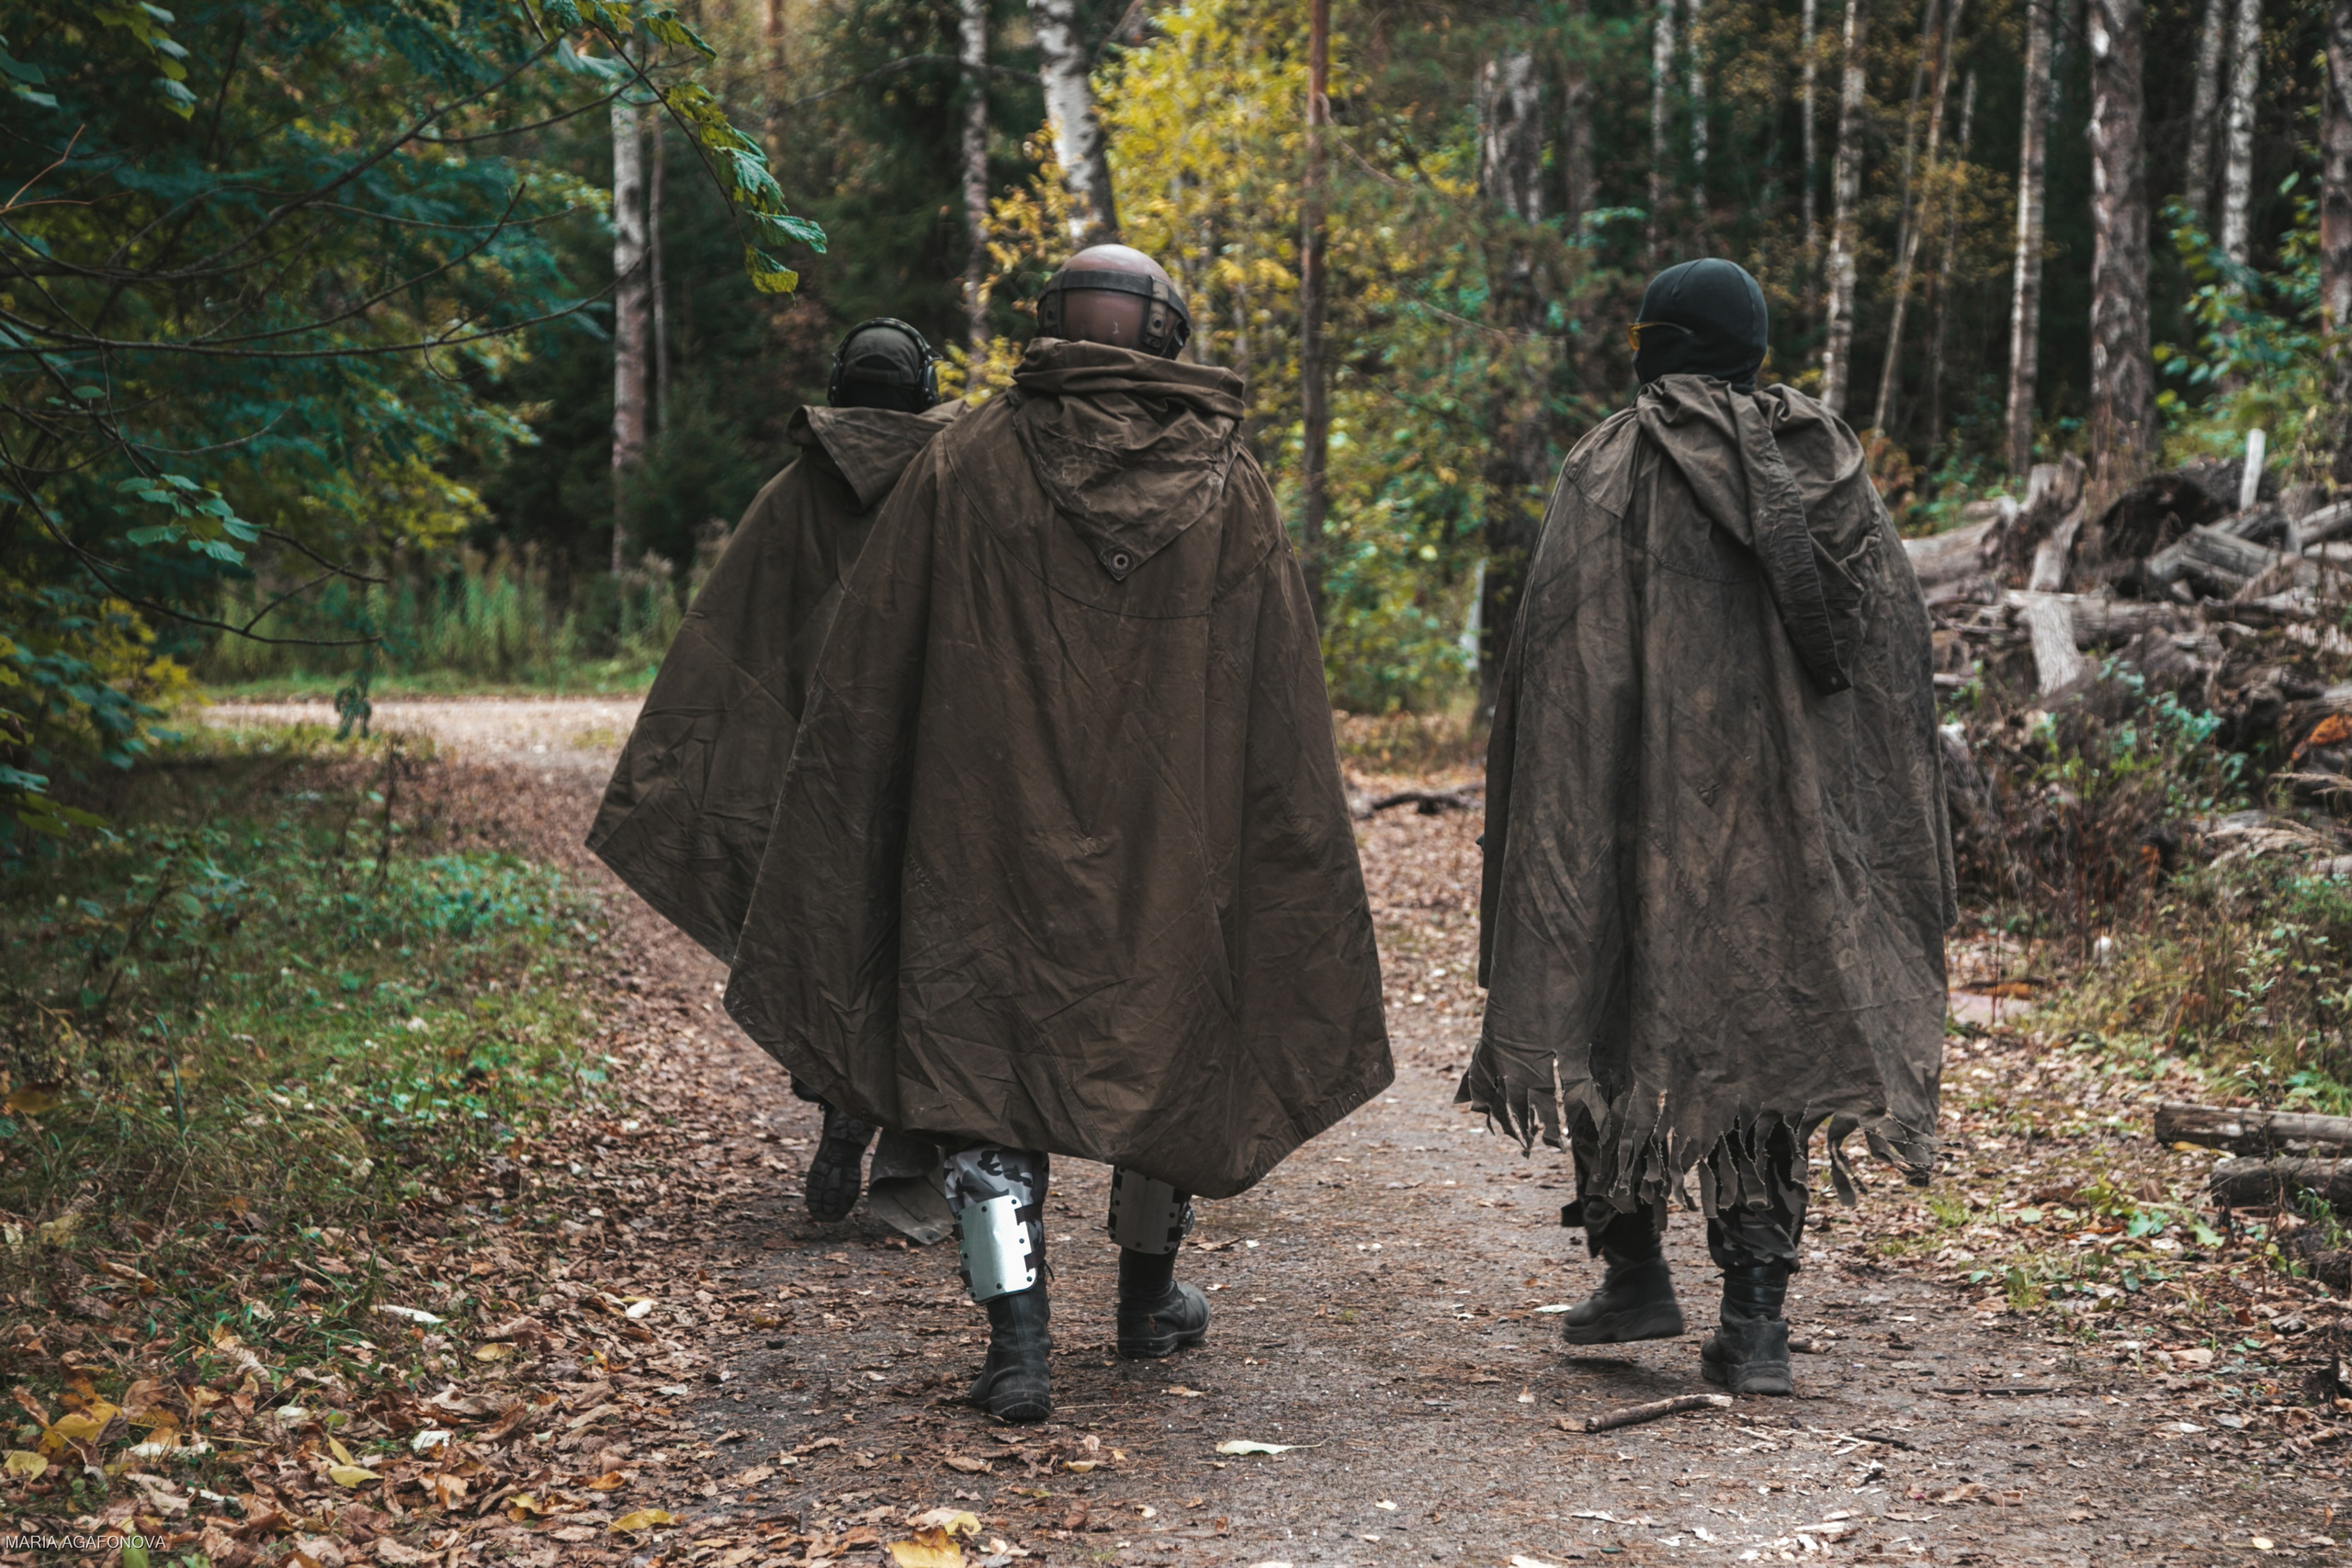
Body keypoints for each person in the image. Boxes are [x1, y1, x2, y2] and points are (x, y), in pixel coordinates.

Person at [721, 245, 1393, 1422]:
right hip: (1167, 844)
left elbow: (875, 667)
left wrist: (869, 811)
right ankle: (1144, 1304)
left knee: (987, 1071)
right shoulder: (1229, 485)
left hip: (987, 832)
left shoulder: (966, 459)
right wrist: (1274, 836)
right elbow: (1276, 696)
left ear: (1055, 326)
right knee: (1168, 1048)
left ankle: (1017, 1345)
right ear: (1167, 335)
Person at [1461, 257, 1954, 1396]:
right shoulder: (1829, 466)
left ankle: (1634, 1265)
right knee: (1764, 1036)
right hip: (1791, 831)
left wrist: (1562, 806)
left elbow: (1559, 659)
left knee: (1605, 993)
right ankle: (1755, 1325)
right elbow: (1890, 672)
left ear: (1659, 344)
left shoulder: (1617, 461)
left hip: (1643, 813)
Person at [589, 318, 959, 1233]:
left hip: (821, 776)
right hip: (936, 769)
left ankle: (844, 1109)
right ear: (923, 391)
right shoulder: (959, 490)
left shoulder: (789, 496)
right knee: (932, 954)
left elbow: (729, 647)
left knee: (832, 942)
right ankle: (909, 1166)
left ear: (841, 388)